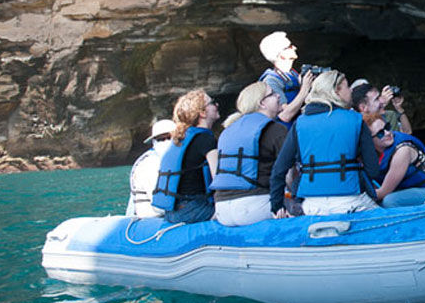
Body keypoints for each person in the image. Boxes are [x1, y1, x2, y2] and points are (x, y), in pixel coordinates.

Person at [269, 70, 380, 217]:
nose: (351, 90)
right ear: (336, 91)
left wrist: (277, 206)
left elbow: (279, 169)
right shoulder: (356, 120)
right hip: (351, 201)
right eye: (347, 87)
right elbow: (373, 170)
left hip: (311, 205)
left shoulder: (300, 123)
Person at [209, 81, 289, 226]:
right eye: (272, 94)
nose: (278, 96)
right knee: (300, 208)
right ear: (262, 103)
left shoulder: (228, 130)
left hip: (221, 210)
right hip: (253, 207)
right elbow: (289, 175)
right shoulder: (276, 129)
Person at [152, 89, 220, 224]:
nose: (217, 105)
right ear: (202, 113)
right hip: (193, 209)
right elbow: (219, 179)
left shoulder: (182, 138)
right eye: (212, 103)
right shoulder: (205, 139)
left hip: (172, 212)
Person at [366, 113, 425, 207]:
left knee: (390, 201)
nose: (387, 133)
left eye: (387, 127)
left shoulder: (402, 151)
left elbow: (383, 192)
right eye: (380, 133)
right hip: (415, 188)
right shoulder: (372, 154)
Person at [258, 31, 314, 125]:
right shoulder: (271, 81)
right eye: (290, 46)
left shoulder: (293, 74)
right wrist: (304, 89)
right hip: (286, 133)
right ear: (282, 55)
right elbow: (285, 115)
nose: (294, 47)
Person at [126, 119, 176, 217]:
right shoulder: (150, 163)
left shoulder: (168, 161)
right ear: (154, 142)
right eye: (161, 139)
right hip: (146, 220)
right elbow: (158, 206)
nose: (166, 141)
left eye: (170, 137)